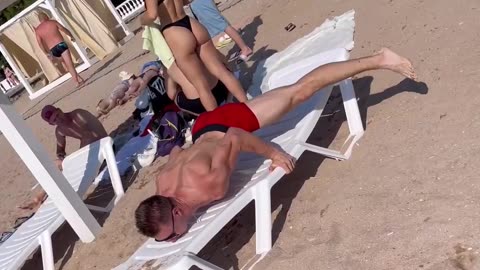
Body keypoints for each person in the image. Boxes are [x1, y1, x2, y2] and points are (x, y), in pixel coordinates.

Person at [134, 48, 417, 242]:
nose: (172, 239)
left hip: (226, 124)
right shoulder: (163, 187)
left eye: (170, 235)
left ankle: (380, 59)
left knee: (300, 91)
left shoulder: (208, 184)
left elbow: (235, 136)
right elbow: (175, 151)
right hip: (201, 128)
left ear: (177, 212)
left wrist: (274, 152)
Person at [141, 0, 247, 113]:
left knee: (201, 86)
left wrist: (142, 20)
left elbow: (152, 15)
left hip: (174, 31)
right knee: (222, 72)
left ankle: (221, 123)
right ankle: (248, 106)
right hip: (190, 23)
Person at [20, 105, 108, 210]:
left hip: (105, 148)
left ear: (60, 110)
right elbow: (60, 151)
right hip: (88, 154)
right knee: (56, 164)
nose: (59, 120)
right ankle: (39, 197)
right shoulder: (60, 130)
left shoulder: (78, 114)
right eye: (54, 120)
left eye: (57, 115)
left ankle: (49, 195)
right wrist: (60, 158)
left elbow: (89, 135)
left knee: (69, 162)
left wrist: (73, 159)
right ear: (51, 124)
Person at [35, 12, 85, 87]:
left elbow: (40, 43)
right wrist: (71, 35)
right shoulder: (52, 22)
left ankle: (79, 78)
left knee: (66, 65)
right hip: (61, 44)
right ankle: (76, 81)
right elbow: (63, 29)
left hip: (53, 49)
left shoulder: (38, 30)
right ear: (46, 16)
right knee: (70, 64)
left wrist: (46, 53)